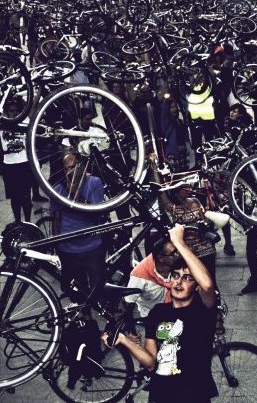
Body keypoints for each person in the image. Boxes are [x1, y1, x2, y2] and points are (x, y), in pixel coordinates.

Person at [104, 225, 218, 403]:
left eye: (187, 278)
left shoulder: (203, 310)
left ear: (195, 286)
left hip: (194, 396)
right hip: (160, 396)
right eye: (175, 276)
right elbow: (150, 362)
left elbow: (208, 285)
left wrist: (179, 243)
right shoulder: (158, 312)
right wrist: (124, 341)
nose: (179, 282)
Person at [51, 151, 106, 302]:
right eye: (67, 168)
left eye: (74, 166)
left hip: (92, 246)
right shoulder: (58, 190)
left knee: (97, 288)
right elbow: (56, 220)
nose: (71, 171)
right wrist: (58, 247)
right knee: (77, 289)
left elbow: (97, 216)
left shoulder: (94, 183)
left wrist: (75, 192)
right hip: (68, 249)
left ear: (82, 166)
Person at [127, 238, 177, 318]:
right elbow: (129, 299)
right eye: (173, 253)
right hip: (150, 315)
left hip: (175, 310)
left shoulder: (178, 265)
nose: (177, 254)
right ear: (161, 258)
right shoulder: (139, 275)